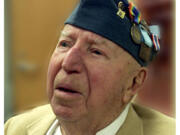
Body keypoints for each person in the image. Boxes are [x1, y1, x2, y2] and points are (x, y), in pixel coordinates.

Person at [4, 0, 175, 135]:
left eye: (96, 52)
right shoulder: (14, 129)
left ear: (133, 83)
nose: (67, 63)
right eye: (64, 44)